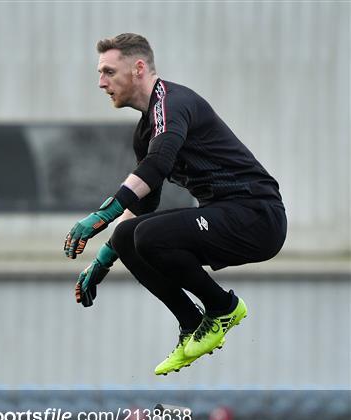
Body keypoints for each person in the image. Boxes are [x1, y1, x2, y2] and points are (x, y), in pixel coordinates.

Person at [64, 33, 287, 376]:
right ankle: (193, 324)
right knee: (128, 237)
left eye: (108, 71)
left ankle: (223, 308)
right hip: (224, 215)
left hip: (257, 215)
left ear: (138, 68)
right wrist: (103, 261)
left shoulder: (171, 102)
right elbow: (144, 202)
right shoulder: (144, 130)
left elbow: (157, 165)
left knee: (150, 237)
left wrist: (102, 214)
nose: (100, 82)